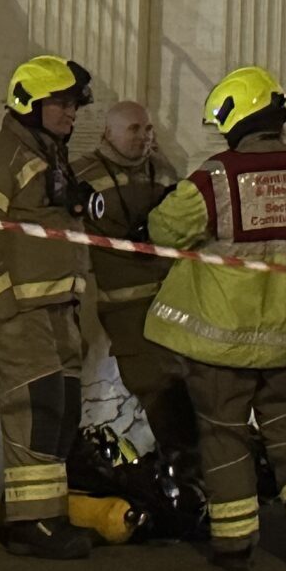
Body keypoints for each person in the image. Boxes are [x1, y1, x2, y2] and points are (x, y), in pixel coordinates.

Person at [142, 66, 286, 571]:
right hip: (282, 342)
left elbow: (164, 231)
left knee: (223, 438)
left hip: (220, 349)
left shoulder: (215, 178)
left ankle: (235, 544)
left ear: (236, 120)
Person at [0, 56, 98, 557]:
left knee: (62, 409)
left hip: (60, 309)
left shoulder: (52, 155)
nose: (70, 113)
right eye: (60, 103)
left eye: (73, 104)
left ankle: (50, 514)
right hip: (23, 314)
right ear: (30, 104)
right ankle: (29, 525)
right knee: (35, 410)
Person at [77, 99, 196, 472]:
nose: (144, 137)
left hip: (171, 305)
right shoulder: (82, 176)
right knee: (154, 384)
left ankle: (189, 470)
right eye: (134, 129)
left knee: (182, 384)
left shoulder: (161, 171)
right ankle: (186, 466)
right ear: (107, 133)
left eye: (147, 129)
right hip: (124, 308)